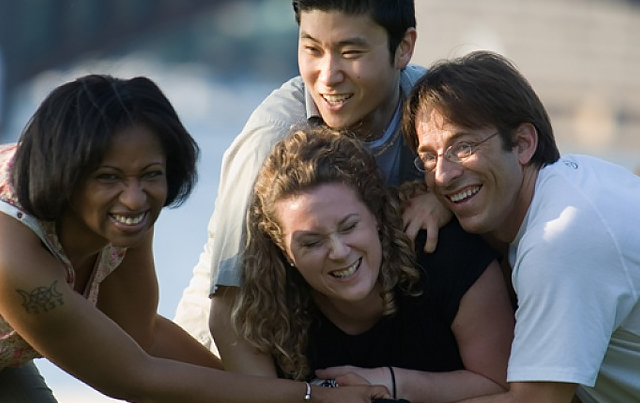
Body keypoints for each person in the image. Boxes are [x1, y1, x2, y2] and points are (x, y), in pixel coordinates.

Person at [0, 74, 389, 403]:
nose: (135, 197)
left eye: (151, 173)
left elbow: (141, 337)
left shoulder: (123, 212)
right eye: (108, 177)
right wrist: (307, 396)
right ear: (64, 173)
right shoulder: (12, 254)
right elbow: (135, 377)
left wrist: (276, 390)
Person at [174, 0, 452, 365]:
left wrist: (445, 195)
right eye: (312, 49)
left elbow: (514, 170)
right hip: (227, 355)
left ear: (403, 47)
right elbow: (229, 313)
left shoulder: (436, 107)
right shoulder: (271, 137)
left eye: (350, 52)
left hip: (345, 342)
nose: (327, 75)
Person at [402, 50, 640, 403]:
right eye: (429, 157)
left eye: (463, 146)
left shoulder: (558, 239)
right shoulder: (568, 184)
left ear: (523, 144)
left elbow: (535, 401)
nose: (442, 175)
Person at [229, 124, 515, 402]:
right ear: (285, 251)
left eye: (349, 226)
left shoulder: (445, 253)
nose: (339, 252)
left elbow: (504, 386)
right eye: (312, 242)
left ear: (376, 214)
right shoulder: (271, 311)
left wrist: (389, 383)